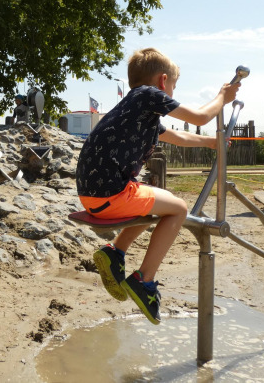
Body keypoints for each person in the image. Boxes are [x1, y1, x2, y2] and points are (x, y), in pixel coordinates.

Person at [76, 48, 240, 325]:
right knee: (178, 209)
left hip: (92, 195)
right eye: (174, 86)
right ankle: (144, 280)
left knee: (159, 200)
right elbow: (199, 117)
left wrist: (211, 142)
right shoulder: (147, 95)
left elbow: (179, 136)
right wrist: (222, 97)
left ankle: (114, 253)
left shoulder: (136, 111)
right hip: (112, 194)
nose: (172, 92)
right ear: (163, 81)